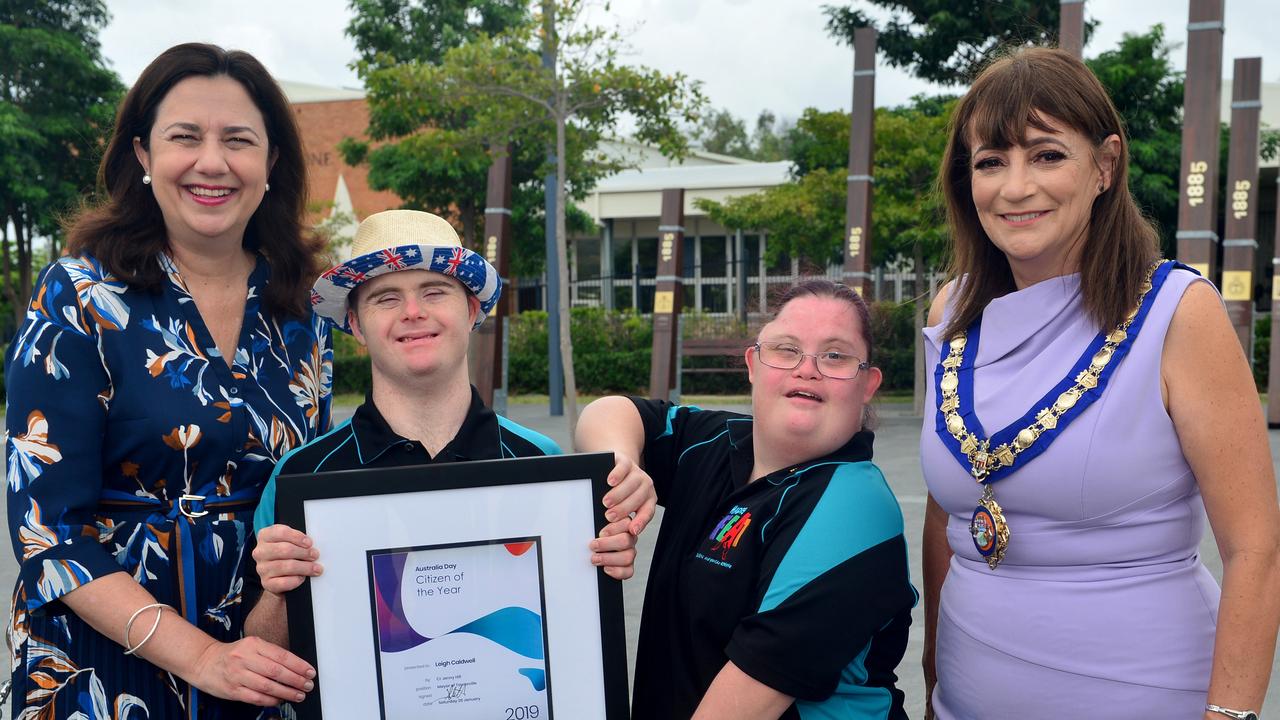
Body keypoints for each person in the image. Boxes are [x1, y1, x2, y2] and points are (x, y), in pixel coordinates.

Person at [920, 47, 1280, 719]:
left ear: (1104, 166)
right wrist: (935, 671)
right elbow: (948, 515)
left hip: (1148, 696)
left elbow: (1255, 549)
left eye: (1047, 155)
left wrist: (1231, 717)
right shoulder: (953, 312)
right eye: (991, 162)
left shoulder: (1179, 312)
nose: (1016, 187)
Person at [4, 44, 329, 718]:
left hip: (262, 661)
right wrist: (203, 658)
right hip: (105, 661)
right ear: (144, 156)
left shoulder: (300, 310)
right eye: (185, 137)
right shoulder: (80, 297)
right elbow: (47, 529)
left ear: (270, 164)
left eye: (238, 140)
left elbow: (309, 495)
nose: (212, 161)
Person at [245, 209, 654, 655]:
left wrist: (602, 565)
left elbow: (572, 641)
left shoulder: (544, 465)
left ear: (472, 309)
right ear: (357, 326)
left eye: (434, 291)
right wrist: (280, 591)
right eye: (386, 298)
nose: (414, 313)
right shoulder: (301, 477)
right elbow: (263, 648)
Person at [577, 280, 916, 720]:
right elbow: (608, 411)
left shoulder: (854, 506)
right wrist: (622, 469)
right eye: (786, 348)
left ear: (867, 384)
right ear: (753, 363)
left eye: (835, 355)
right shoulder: (716, 442)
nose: (807, 369)